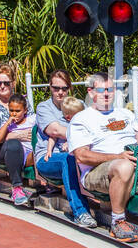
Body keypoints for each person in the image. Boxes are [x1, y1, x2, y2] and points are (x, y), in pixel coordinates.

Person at [68, 72, 138, 243]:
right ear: (91, 92)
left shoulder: (125, 114)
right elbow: (81, 156)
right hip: (97, 172)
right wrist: (117, 156)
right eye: (101, 90)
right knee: (123, 166)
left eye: (110, 89)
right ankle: (117, 221)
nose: (106, 94)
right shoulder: (81, 119)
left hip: (132, 159)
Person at [33, 70, 93, 228]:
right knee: (69, 159)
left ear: (69, 88)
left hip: (78, 153)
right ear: (50, 87)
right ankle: (80, 212)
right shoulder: (43, 108)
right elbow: (54, 131)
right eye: (55, 88)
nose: (60, 92)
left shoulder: (80, 105)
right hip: (49, 158)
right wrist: (78, 137)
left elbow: (92, 128)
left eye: (64, 88)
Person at [0, 92, 35, 205]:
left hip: (28, 155)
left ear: (25, 110)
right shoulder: (8, 124)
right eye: (11, 110)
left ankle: (52, 185)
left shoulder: (33, 120)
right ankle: (17, 188)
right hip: (10, 153)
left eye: (17, 111)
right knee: (14, 144)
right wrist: (8, 123)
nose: (14, 114)